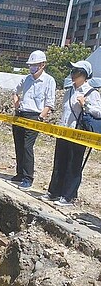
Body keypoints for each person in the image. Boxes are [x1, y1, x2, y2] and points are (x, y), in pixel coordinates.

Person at [42, 61, 101, 206]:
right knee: (59, 162)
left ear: (85, 75)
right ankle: (54, 191)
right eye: (72, 71)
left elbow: (99, 112)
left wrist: (85, 105)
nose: (73, 75)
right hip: (64, 131)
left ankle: (68, 196)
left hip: (78, 132)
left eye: (77, 72)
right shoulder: (69, 91)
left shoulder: (91, 93)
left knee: (73, 164)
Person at [12, 50, 56, 189]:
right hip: (21, 114)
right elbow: (15, 91)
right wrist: (16, 102)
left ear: (42, 65)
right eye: (31, 65)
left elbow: (49, 103)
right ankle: (19, 173)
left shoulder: (49, 80)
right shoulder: (26, 79)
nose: (32, 67)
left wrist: (40, 117)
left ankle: (28, 177)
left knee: (27, 147)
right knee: (19, 144)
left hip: (34, 116)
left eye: (35, 65)